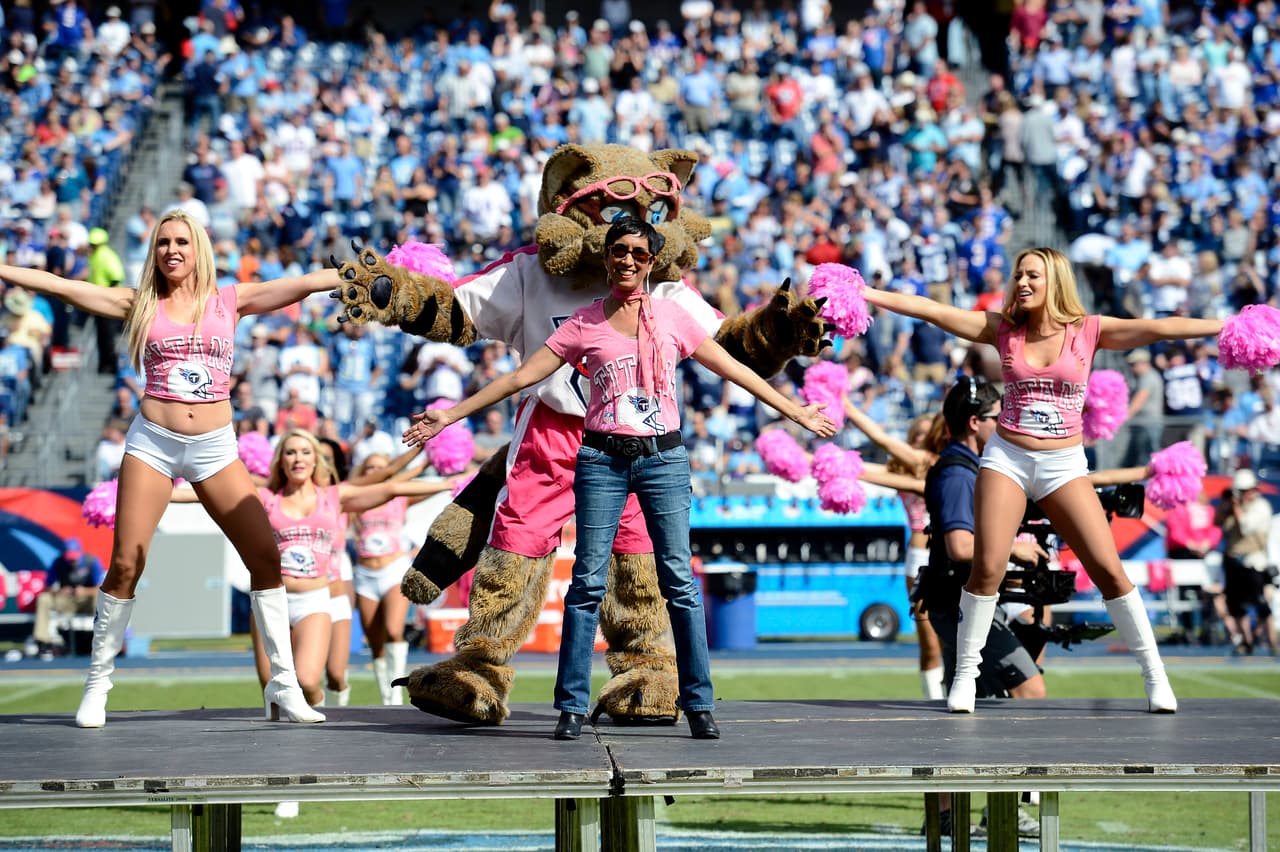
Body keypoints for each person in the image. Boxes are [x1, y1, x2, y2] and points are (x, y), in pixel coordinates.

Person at [405, 217, 836, 739]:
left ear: (652, 261)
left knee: (679, 583)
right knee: (586, 585)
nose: (627, 260)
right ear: (605, 257)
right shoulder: (585, 322)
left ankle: (698, 704)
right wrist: (449, 415)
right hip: (602, 459)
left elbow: (733, 369)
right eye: (618, 251)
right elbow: (522, 377)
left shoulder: (674, 315)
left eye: (638, 252)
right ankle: (570, 709)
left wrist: (796, 412)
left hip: (662, 461)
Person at [0, 209, 343, 728]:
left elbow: (301, 285)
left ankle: (285, 684)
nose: (172, 250)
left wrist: (359, 274)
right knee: (126, 563)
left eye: (182, 241)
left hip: (214, 448)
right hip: (154, 445)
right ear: (154, 252)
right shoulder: (139, 304)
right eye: (163, 242)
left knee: (266, 557)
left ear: (198, 247)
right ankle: (98, 684)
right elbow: (61, 286)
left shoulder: (229, 300)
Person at [863, 246, 1226, 714]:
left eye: (1032, 275)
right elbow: (933, 310)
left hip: (1064, 465)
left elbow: (1160, 328)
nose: (1023, 283)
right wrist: (868, 292)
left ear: (1054, 281)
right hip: (1008, 459)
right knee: (987, 568)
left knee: (1109, 569)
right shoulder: (1003, 330)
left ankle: (1155, 676)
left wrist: (1225, 327)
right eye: (1018, 275)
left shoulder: (1089, 330)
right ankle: (966, 679)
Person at [844, 404, 948, 700]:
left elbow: (884, 442)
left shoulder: (949, 465)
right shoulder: (906, 467)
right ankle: (933, 700)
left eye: (924, 435)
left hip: (957, 551)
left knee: (954, 638)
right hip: (919, 555)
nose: (917, 440)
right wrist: (809, 459)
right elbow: (868, 459)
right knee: (928, 641)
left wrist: (848, 405)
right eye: (913, 435)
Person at [349, 447, 447, 705]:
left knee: (394, 630)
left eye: (382, 467)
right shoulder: (355, 499)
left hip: (393, 569)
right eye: (371, 468)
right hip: (365, 573)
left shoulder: (399, 496)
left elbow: (427, 488)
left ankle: (394, 695)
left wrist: (430, 461)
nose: (376, 472)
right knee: (375, 641)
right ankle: (385, 693)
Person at [1215, 469, 1275, 656]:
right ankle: (1246, 641)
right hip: (1234, 562)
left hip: (1253, 562)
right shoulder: (1233, 508)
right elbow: (1216, 522)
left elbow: (1246, 526)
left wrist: (1237, 508)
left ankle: (1273, 643)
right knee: (1236, 605)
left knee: (1260, 604)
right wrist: (1227, 506)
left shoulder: (1261, 507)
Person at [28, 538, 105, 660]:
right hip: (67, 601)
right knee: (44, 598)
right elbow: (47, 587)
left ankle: (102, 640)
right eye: (69, 557)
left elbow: (101, 588)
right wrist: (59, 591)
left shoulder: (91, 561)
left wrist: (85, 591)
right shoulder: (58, 562)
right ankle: (43, 642)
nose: (72, 561)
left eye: (75, 557)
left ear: (80, 553)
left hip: (87, 601)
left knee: (100, 598)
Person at [86, 227, 126, 375]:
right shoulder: (94, 256)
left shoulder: (107, 256)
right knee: (102, 335)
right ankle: (104, 363)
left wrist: (107, 295)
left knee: (108, 335)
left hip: (108, 301)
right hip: (97, 300)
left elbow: (116, 277)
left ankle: (112, 364)